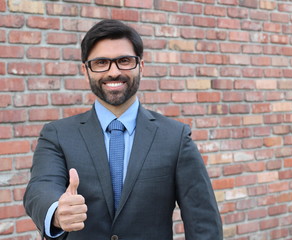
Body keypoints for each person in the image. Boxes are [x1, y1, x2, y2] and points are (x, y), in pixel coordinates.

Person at [23, 19, 223, 240]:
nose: (113, 72)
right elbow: (40, 187)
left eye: (124, 61)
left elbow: (203, 221)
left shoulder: (175, 137)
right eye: (101, 63)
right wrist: (58, 213)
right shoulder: (57, 134)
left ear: (141, 66)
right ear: (85, 70)